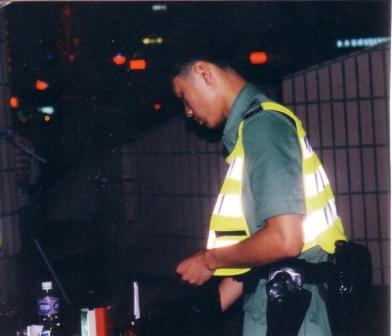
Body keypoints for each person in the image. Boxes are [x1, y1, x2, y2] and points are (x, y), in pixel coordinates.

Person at [170, 53, 347, 335]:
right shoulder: (252, 129)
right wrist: (198, 315)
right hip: (285, 308)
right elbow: (259, 256)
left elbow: (285, 241)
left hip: (291, 314)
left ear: (204, 72)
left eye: (183, 96)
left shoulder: (263, 127)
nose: (188, 112)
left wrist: (208, 260)